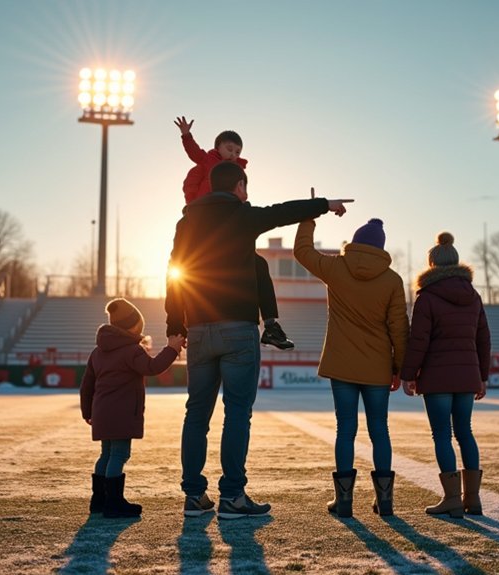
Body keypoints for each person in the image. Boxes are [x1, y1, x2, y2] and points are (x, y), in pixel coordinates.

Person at [166, 161, 352, 520]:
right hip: (237, 328)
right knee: (237, 414)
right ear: (238, 186)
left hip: (200, 327)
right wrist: (324, 205)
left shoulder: (186, 223)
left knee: (196, 415)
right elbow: (282, 212)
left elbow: (175, 272)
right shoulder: (241, 215)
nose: (246, 194)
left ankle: (193, 497)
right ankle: (233, 497)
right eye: (245, 187)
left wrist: (176, 322)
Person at [293, 214, 409, 518]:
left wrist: (309, 219)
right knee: (379, 430)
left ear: (355, 242)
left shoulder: (336, 267)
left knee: (345, 430)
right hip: (378, 367)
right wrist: (399, 367)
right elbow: (399, 328)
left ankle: (343, 503)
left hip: (342, 364)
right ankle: (385, 502)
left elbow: (302, 252)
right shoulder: (392, 280)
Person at [174, 116, 294, 351]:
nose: (233, 154)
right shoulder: (207, 162)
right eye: (229, 149)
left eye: (237, 151)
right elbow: (194, 154)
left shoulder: (237, 173)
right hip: (202, 222)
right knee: (188, 271)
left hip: (226, 225)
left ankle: (270, 325)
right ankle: (188, 324)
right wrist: (186, 135)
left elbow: (246, 201)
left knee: (258, 264)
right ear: (217, 148)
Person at [399, 232, 490, 517]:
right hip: (466, 377)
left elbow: (419, 340)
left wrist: (408, 374)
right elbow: (483, 338)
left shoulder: (427, 297)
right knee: (465, 433)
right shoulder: (473, 296)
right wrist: (482, 377)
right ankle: (472, 500)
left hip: (437, 378)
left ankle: (452, 499)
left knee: (442, 435)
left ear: (432, 264)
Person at [80, 298, 186, 518]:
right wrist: (172, 349)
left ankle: (99, 500)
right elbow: (152, 367)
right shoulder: (131, 350)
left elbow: (86, 385)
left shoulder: (97, 352)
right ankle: (114, 503)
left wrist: (87, 412)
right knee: (119, 455)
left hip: (102, 412)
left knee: (106, 454)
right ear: (134, 326)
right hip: (122, 413)